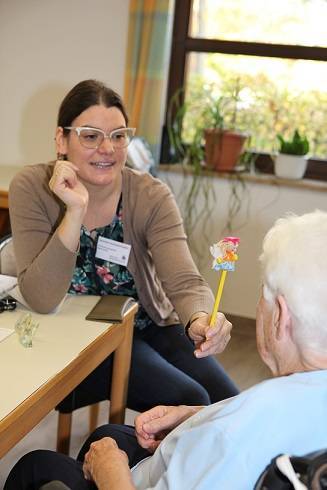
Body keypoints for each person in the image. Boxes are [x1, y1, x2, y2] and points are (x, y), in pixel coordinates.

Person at [5, 210, 327, 490]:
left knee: (36, 467)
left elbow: (183, 279)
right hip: (176, 448)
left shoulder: (232, 437)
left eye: (263, 294)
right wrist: (195, 416)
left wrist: (110, 472)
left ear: (280, 318)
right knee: (110, 434)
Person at [8, 79, 238, 416]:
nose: (108, 148)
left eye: (118, 135)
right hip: (76, 340)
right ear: (61, 139)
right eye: (90, 136)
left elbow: (184, 280)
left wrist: (201, 320)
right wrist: (74, 211)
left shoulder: (150, 195)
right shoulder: (32, 187)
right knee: (192, 400)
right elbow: (41, 299)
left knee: (230, 403)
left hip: (146, 324)